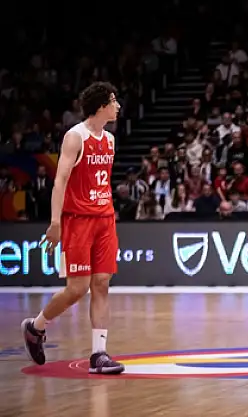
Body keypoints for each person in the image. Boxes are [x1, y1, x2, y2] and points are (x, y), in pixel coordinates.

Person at [22, 82, 125, 374]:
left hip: (105, 219)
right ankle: (36, 326)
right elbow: (60, 181)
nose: (118, 106)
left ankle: (99, 355)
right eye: (113, 101)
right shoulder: (75, 136)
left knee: (102, 283)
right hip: (78, 220)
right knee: (77, 289)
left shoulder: (110, 140)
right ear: (101, 105)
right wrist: (55, 222)